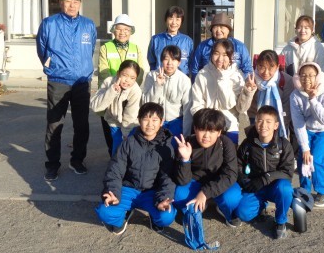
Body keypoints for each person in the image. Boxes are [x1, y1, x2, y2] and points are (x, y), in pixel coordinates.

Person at [36, 0, 97, 181]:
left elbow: (91, 48)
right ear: (61, 3)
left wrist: (83, 69)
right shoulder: (49, 23)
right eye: (68, 1)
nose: (72, 5)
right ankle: (52, 164)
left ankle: (77, 160)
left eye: (75, 1)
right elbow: (41, 49)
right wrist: (52, 67)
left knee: (82, 124)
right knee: (54, 124)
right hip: (58, 80)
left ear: (80, 3)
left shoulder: (88, 25)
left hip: (81, 82)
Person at [95, 103, 177, 235]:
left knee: (166, 216)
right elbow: (115, 170)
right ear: (139, 120)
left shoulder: (166, 148)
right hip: (128, 189)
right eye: (145, 119)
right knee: (105, 212)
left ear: (162, 122)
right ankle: (123, 216)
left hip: (152, 193)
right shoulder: (128, 143)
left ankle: (155, 218)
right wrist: (113, 192)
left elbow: (167, 178)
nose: (150, 124)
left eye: (154, 120)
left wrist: (163, 198)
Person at [172, 109, 242, 230]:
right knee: (179, 194)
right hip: (195, 181)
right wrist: (185, 159)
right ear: (195, 129)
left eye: (212, 131)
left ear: (219, 132)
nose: (206, 136)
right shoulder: (187, 144)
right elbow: (182, 181)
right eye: (202, 129)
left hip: (218, 181)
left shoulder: (226, 144)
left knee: (232, 197)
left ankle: (224, 210)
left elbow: (230, 174)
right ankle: (193, 210)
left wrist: (205, 193)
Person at [235, 106, 295, 239]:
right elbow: (238, 165)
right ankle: (261, 206)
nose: (263, 125)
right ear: (255, 123)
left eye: (268, 121)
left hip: (275, 186)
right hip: (255, 186)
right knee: (243, 213)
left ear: (276, 125)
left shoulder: (283, 145)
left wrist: (265, 178)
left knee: (285, 188)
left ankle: (280, 221)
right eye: (260, 121)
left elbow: (287, 172)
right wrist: (245, 181)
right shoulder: (248, 144)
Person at [190, 38, 256, 144]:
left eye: (225, 55)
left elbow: (238, 107)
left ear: (231, 56)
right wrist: (206, 123)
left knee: (231, 148)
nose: (220, 58)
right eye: (216, 53)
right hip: (207, 124)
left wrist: (247, 90)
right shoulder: (202, 75)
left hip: (231, 124)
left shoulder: (236, 76)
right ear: (211, 54)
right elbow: (196, 105)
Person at [290, 62, 324, 207]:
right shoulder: (295, 95)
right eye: (303, 75)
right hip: (306, 128)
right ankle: (305, 190)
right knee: (304, 158)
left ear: (318, 77)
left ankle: (323, 191)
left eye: (311, 75)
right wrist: (305, 148)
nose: (307, 79)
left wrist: (313, 99)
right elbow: (298, 123)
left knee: (315, 158)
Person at [97, 13, 144, 156]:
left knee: (129, 128)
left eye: (126, 30)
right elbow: (103, 72)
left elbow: (140, 72)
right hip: (111, 92)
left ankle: (126, 158)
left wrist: (129, 89)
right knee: (111, 132)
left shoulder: (136, 48)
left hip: (129, 96)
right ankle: (113, 158)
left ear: (131, 32)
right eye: (119, 29)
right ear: (113, 30)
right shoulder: (106, 48)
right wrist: (115, 88)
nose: (122, 32)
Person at [90, 60, 142, 158]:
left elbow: (130, 115)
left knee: (128, 149)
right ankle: (116, 165)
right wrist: (112, 91)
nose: (127, 80)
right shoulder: (108, 82)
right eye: (125, 75)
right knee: (116, 150)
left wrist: (125, 135)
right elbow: (95, 106)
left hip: (130, 125)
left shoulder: (136, 91)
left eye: (132, 78)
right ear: (118, 73)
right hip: (113, 122)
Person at [142, 45, 192, 138]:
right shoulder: (151, 75)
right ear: (161, 60)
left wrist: (186, 135)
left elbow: (187, 110)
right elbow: (146, 103)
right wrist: (157, 85)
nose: (169, 63)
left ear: (179, 62)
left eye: (173, 59)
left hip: (176, 122)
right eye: (166, 59)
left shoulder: (184, 80)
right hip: (155, 121)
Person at [189, 12, 253, 81]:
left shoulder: (239, 47)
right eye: (215, 27)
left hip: (233, 85)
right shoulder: (203, 46)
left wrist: (245, 82)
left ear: (228, 29)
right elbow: (195, 69)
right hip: (208, 85)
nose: (218, 30)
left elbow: (247, 70)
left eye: (222, 27)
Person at [248, 49, 294, 139]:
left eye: (270, 68)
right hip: (256, 120)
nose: (266, 72)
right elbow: (243, 107)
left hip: (279, 122)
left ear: (277, 67)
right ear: (257, 65)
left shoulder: (286, 80)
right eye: (262, 67)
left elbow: (287, 108)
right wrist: (248, 90)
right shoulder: (251, 79)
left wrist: (276, 125)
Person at [147, 6, 194, 76]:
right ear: (166, 20)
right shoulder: (155, 40)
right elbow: (152, 61)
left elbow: (191, 62)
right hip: (160, 77)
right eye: (171, 18)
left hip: (181, 79)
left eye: (177, 19)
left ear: (181, 21)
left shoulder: (187, 41)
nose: (174, 22)